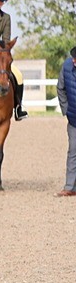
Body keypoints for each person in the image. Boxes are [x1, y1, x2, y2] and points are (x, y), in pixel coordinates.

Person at [57, 46, 76, 197]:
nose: (74, 62)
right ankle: (70, 187)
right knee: (73, 151)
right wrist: (66, 110)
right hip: (73, 118)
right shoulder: (67, 65)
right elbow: (61, 88)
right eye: (73, 59)